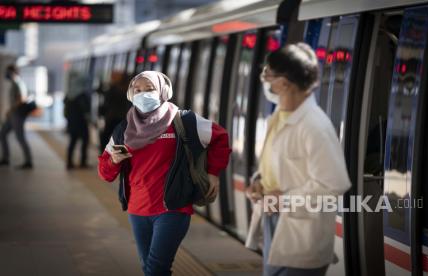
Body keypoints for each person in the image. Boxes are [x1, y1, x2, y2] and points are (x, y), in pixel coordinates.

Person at [97, 71, 231, 276]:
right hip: (137, 209)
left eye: (149, 89)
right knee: (148, 267)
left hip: (173, 208)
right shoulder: (124, 130)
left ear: (163, 90)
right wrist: (114, 161)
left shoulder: (183, 121)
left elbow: (220, 138)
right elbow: (105, 173)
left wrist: (213, 173)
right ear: (130, 94)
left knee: (156, 269)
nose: (143, 94)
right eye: (138, 90)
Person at [245, 43, 351, 276]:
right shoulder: (280, 115)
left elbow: (333, 185)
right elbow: (274, 162)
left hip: (302, 231)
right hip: (275, 222)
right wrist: (259, 181)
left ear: (283, 82)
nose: (266, 82)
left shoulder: (314, 126)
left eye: (268, 75)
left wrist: (284, 199)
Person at [0, 64, 33, 169]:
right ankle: (5, 158)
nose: (7, 74)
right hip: (13, 114)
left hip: (17, 114)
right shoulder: (15, 83)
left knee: (20, 137)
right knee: (2, 134)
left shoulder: (18, 83)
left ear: (12, 72)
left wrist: (11, 110)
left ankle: (28, 161)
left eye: (8, 72)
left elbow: (21, 99)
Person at [98, 71, 132, 153]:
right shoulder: (128, 89)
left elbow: (106, 102)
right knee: (120, 139)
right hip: (123, 118)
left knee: (105, 137)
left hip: (112, 118)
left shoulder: (113, 89)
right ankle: (120, 157)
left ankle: (105, 154)